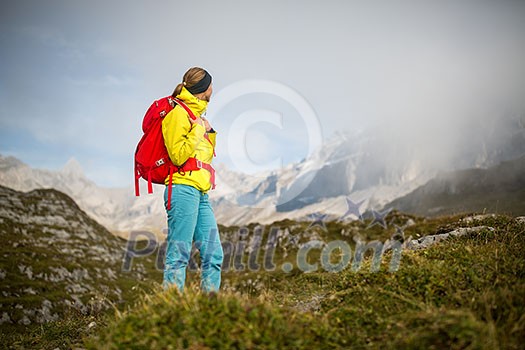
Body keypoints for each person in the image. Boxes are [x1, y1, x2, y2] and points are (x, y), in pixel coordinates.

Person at [162, 67, 223, 293]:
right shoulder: (177, 114)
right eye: (210, 85)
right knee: (179, 255)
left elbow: (202, 156)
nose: (212, 89)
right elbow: (177, 156)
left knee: (214, 254)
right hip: (181, 188)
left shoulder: (197, 116)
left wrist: (210, 131)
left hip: (200, 192)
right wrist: (198, 130)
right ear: (203, 88)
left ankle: (210, 310)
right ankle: (170, 309)